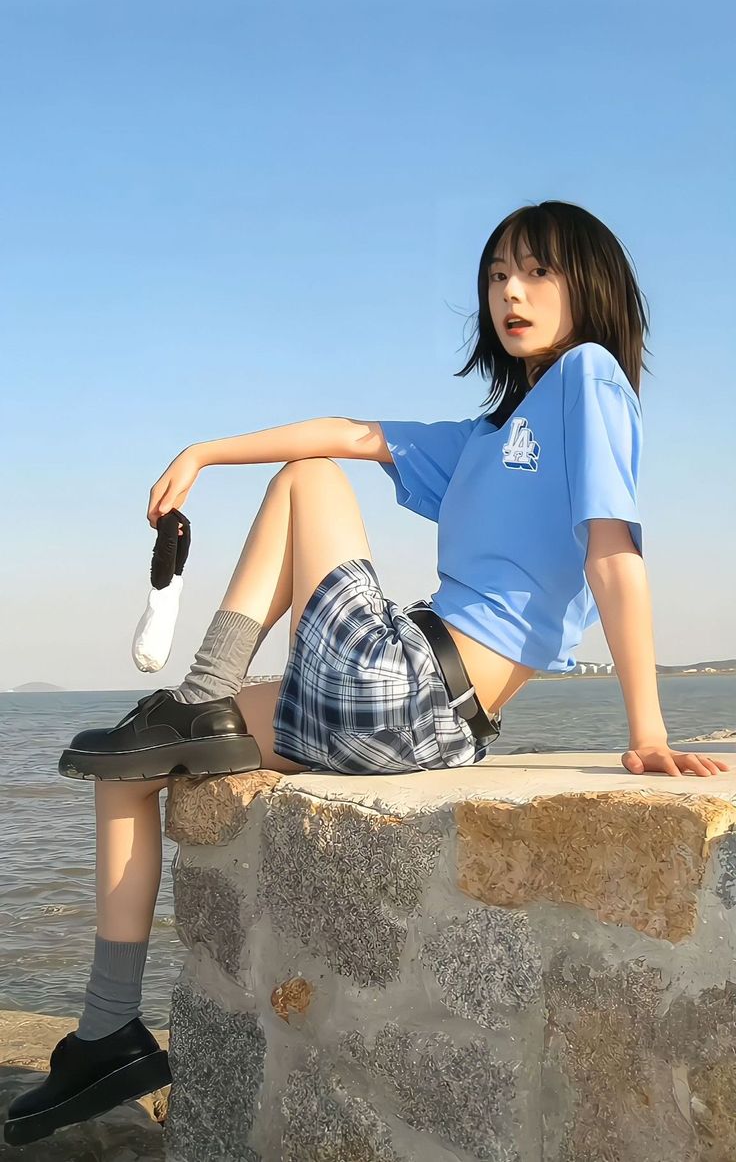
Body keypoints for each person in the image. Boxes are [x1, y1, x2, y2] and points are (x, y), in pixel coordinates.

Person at [5, 199, 730, 1147]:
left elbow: (613, 553)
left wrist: (648, 730)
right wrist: (205, 451)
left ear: (587, 286)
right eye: (498, 272)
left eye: (538, 272)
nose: (511, 290)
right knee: (129, 763)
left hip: (422, 688)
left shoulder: (588, 382)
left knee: (305, 490)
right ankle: (109, 1031)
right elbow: (350, 431)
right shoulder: (479, 439)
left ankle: (192, 698)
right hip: (414, 709)